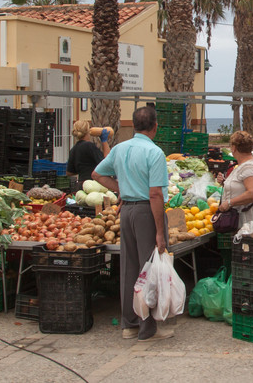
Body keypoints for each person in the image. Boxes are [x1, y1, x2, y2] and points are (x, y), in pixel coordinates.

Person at [91, 106, 169, 341]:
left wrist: (120, 190)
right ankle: (147, 326)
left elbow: (96, 174)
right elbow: (155, 194)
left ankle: (129, 323)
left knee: (129, 267)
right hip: (147, 210)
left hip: (126, 213)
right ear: (155, 127)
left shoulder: (119, 149)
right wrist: (159, 232)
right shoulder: (155, 153)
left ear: (134, 126)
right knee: (149, 269)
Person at [215, 131, 253, 229]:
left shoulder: (249, 167)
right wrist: (224, 183)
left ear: (234, 148)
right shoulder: (248, 165)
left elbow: (252, 193)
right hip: (245, 221)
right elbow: (242, 186)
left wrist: (229, 203)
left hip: (247, 221)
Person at [66, 120, 110, 190]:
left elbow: (69, 172)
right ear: (87, 131)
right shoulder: (89, 146)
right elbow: (106, 161)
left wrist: (82, 168)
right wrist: (104, 141)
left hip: (81, 185)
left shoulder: (73, 149)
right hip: (93, 185)